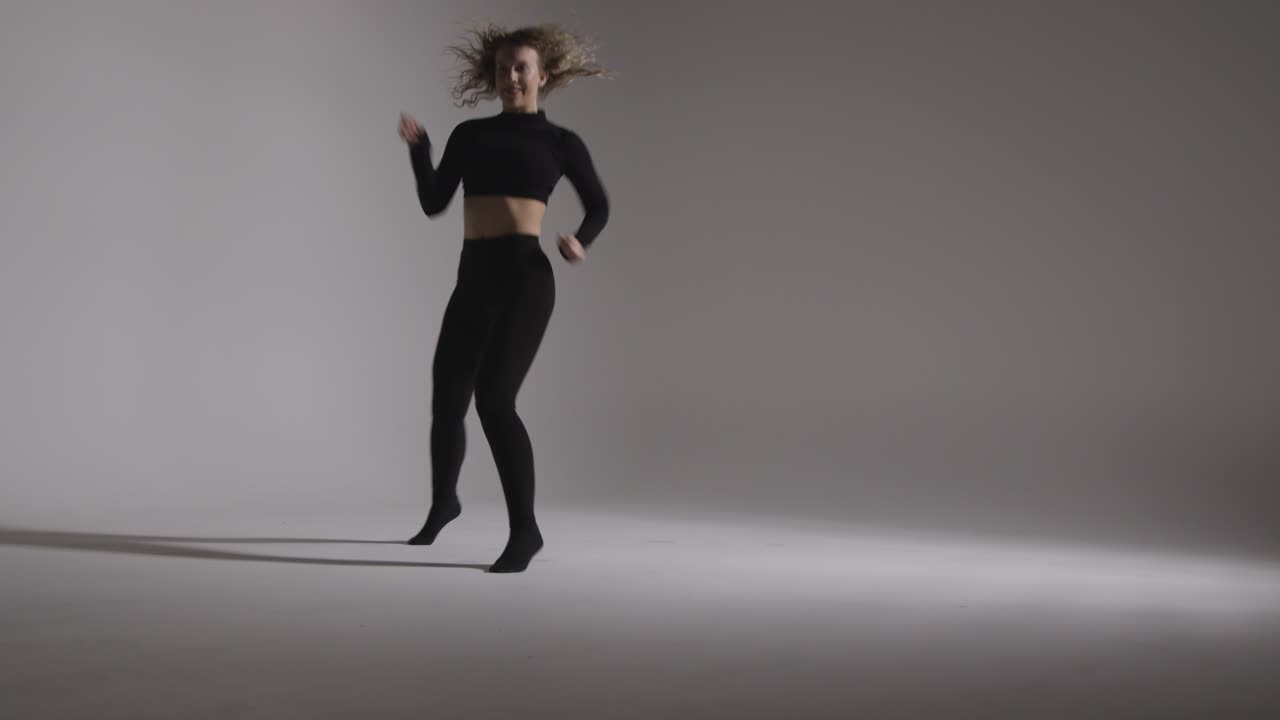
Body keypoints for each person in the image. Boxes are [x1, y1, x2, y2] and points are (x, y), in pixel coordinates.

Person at [398, 23, 611, 573]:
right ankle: (444, 501)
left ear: (543, 76)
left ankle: (526, 532)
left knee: (494, 401)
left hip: (525, 280)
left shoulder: (561, 143)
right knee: (447, 398)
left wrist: (579, 243)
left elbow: (599, 206)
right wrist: (420, 151)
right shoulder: (470, 135)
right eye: (502, 69)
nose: (511, 77)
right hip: (474, 276)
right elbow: (433, 202)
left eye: (521, 68)